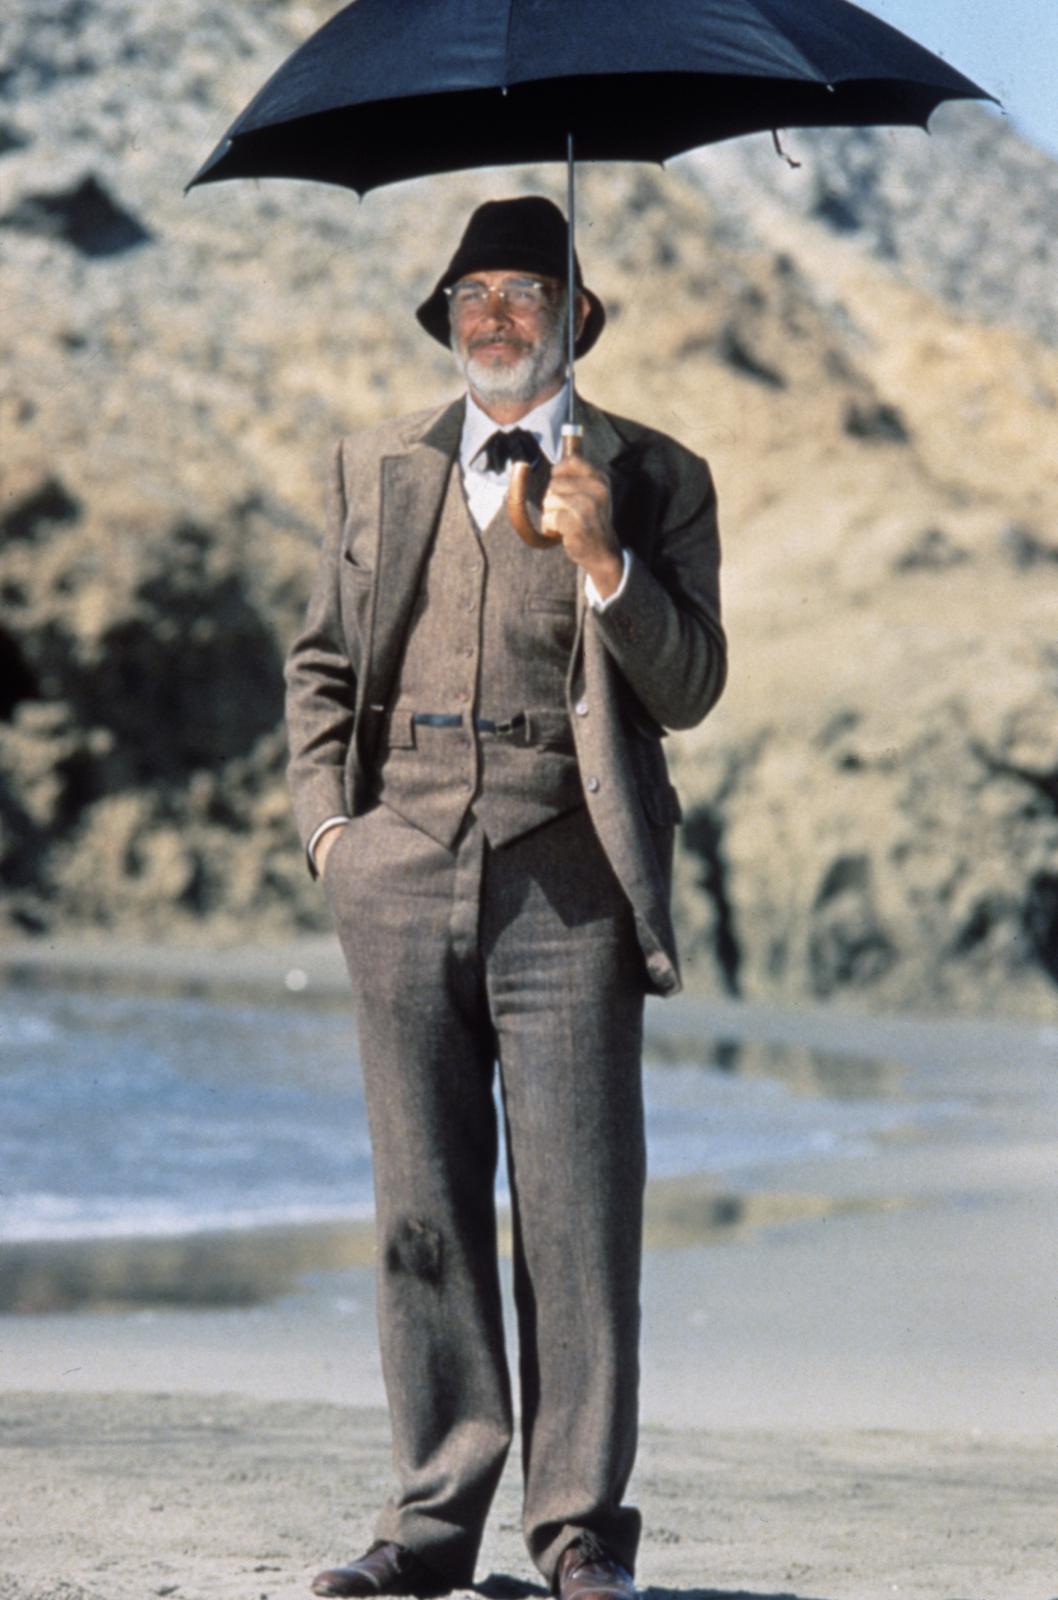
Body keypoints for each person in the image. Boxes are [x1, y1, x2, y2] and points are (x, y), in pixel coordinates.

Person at [285, 196, 726, 1600]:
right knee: (420, 1211)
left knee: (578, 1213)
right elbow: (320, 667)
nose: (491, 315)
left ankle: (576, 1530)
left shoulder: (656, 475)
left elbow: (692, 687)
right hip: (398, 863)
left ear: (575, 317)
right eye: (468, 292)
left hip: (572, 872)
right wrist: (330, 836)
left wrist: (606, 562)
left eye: (522, 290)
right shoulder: (373, 466)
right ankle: (428, 1529)